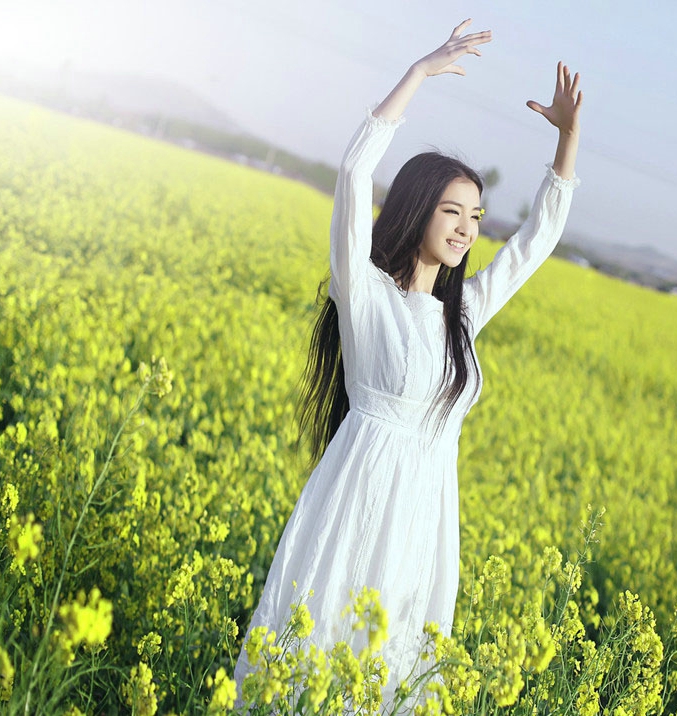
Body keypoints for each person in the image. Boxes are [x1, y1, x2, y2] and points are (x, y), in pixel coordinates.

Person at [233, 18, 583, 710]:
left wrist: (568, 140)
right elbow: (355, 170)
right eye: (452, 211)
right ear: (417, 210)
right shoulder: (362, 292)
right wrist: (419, 73)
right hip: (357, 504)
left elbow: (536, 241)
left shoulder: (463, 315)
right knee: (320, 652)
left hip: (426, 518)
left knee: (393, 676)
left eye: (477, 217)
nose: (466, 228)